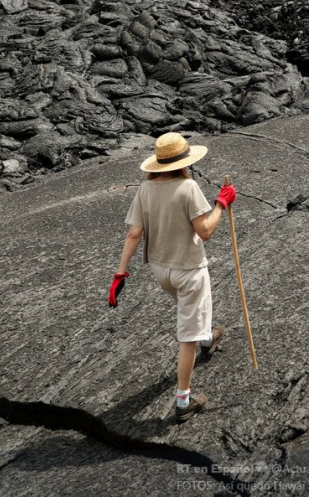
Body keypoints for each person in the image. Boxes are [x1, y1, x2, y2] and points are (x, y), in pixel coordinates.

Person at [108, 132, 237, 422]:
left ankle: (208, 338)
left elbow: (134, 233)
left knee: (192, 317)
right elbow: (205, 231)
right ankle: (184, 399)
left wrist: (119, 273)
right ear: (184, 161)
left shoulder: (145, 189)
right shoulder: (189, 187)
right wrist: (221, 203)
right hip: (189, 270)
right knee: (187, 336)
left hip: (160, 269)